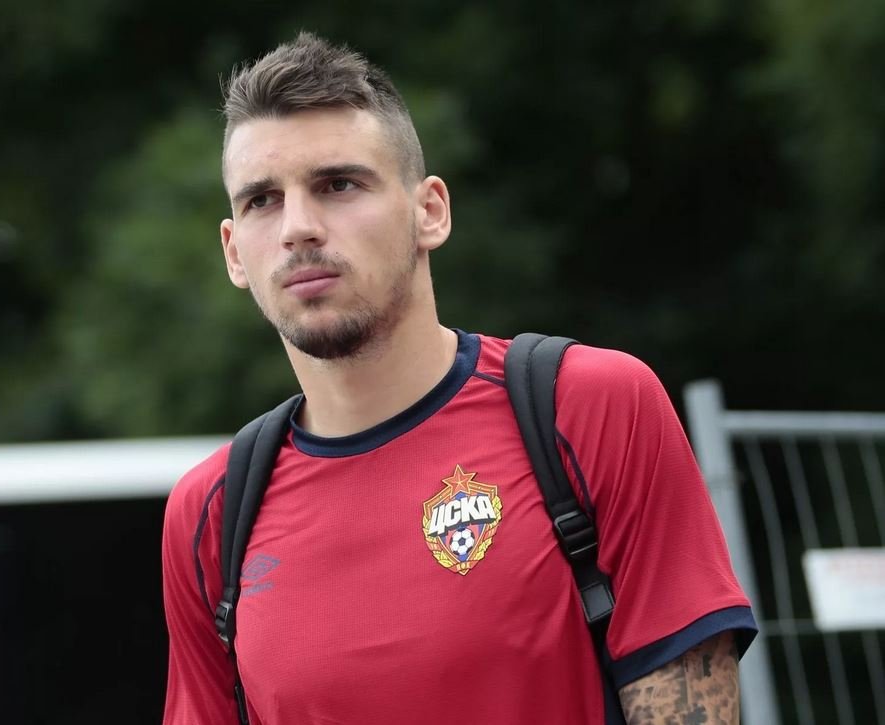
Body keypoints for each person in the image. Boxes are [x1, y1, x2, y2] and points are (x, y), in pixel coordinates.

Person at [161, 32, 756, 725]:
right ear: (234, 251)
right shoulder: (211, 513)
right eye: (262, 200)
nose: (298, 227)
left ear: (430, 211)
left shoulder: (585, 407)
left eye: (338, 184)